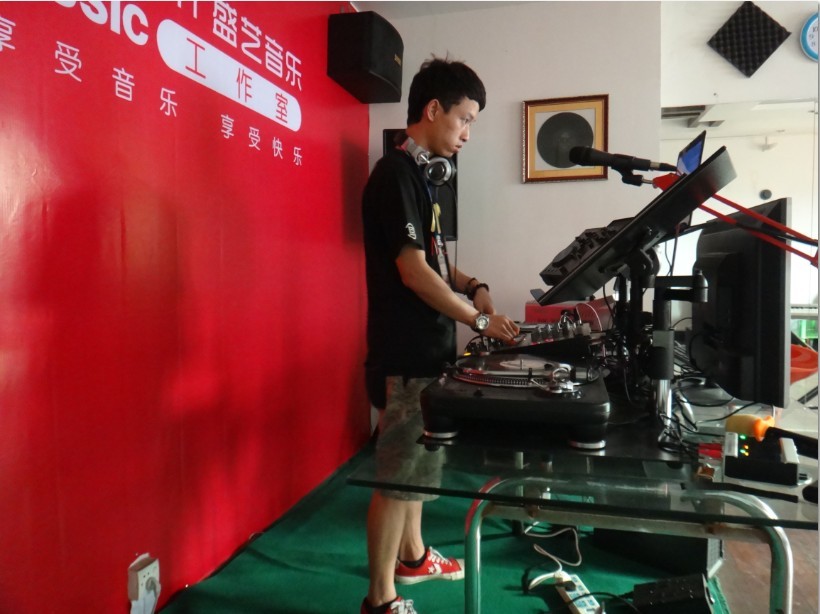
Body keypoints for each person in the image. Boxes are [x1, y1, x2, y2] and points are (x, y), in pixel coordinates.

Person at [360, 57, 520, 614]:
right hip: (404, 354)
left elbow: (436, 262)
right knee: (398, 479)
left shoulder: (425, 178)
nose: (468, 133)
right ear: (433, 110)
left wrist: (474, 286)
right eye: (465, 119)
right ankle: (381, 599)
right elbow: (413, 272)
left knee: (419, 470)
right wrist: (478, 321)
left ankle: (413, 556)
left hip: (428, 353)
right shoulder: (394, 175)